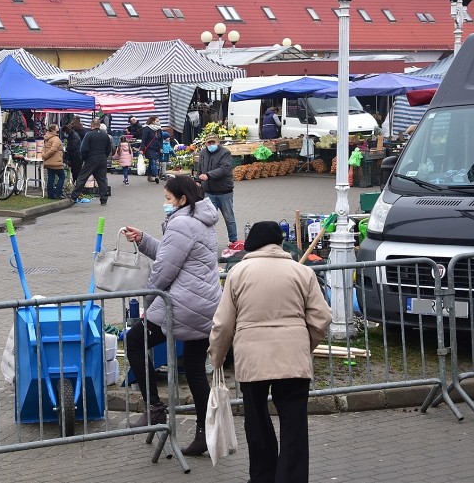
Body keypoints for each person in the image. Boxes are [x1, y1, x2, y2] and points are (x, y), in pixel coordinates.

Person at [208, 221, 331, 483]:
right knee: (294, 424)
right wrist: (303, 345)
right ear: (279, 242)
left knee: (256, 420)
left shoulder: (238, 273)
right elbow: (322, 318)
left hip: (252, 359)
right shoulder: (302, 272)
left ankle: (263, 476)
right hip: (293, 359)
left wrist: (217, 359)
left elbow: (223, 323)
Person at [122, 175, 222, 456]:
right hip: (206, 305)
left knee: (134, 341)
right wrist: (143, 240)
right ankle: (204, 432)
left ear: (182, 199)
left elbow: (164, 269)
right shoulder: (200, 219)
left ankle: (154, 407)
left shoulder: (181, 223)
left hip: (183, 304)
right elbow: (174, 254)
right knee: (193, 367)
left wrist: (148, 299)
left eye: (168, 198)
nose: (165, 203)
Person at [197, 133, 243, 250]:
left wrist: (208, 175)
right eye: (209, 143)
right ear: (206, 143)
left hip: (224, 191)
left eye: (213, 142)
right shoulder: (203, 153)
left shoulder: (225, 153)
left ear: (218, 142)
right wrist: (197, 180)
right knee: (207, 219)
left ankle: (233, 241)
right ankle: (208, 242)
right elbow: (200, 168)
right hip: (208, 192)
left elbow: (224, 169)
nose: (211, 145)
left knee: (229, 217)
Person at [68, 119, 111, 205]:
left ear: (92, 125)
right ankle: (104, 199)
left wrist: (84, 158)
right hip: (102, 159)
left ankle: (73, 197)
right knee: (102, 180)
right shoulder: (105, 135)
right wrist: (104, 156)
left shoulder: (89, 135)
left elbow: (84, 149)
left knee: (82, 177)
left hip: (91, 159)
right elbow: (109, 149)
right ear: (99, 125)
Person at [41, 124, 66, 199]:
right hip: (56, 162)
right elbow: (53, 150)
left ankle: (50, 194)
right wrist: (46, 156)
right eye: (57, 127)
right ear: (53, 130)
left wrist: (44, 156)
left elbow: (44, 148)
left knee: (51, 178)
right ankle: (57, 193)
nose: (58, 128)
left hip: (48, 162)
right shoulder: (56, 139)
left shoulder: (47, 138)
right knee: (62, 177)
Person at [140, 116, 163, 183]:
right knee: (153, 161)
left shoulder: (159, 129)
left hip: (157, 148)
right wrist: (141, 149)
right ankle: (156, 176)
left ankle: (149, 176)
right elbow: (144, 139)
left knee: (151, 162)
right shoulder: (147, 129)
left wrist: (161, 147)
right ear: (152, 122)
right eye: (157, 121)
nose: (159, 122)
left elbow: (161, 139)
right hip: (149, 148)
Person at [66, 118, 87, 183]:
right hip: (79, 151)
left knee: (73, 169)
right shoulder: (82, 129)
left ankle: (74, 181)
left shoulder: (72, 129)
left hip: (73, 152)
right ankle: (77, 182)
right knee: (78, 169)